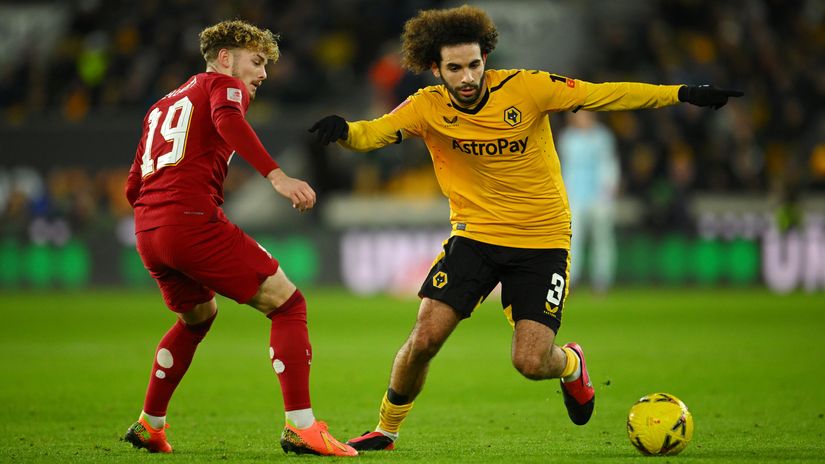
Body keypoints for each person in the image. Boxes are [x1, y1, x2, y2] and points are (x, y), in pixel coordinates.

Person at [309, 5, 741, 451]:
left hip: (543, 240)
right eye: (454, 68)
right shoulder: (426, 107)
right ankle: (386, 429)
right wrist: (344, 130)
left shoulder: (528, 87)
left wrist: (683, 93)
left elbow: (604, 95)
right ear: (435, 69)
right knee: (424, 338)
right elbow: (371, 134)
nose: (468, 77)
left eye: (474, 64)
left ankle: (571, 364)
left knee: (531, 362)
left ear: (485, 59)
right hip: (474, 236)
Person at [123, 20, 356, 457]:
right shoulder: (222, 85)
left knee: (198, 317)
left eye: (265, 64)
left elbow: (132, 186)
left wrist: (159, 215)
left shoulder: (159, 107)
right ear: (226, 58)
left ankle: (150, 424)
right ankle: (301, 427)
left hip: (148, 229)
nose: (263, 73)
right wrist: (277, 175)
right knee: (288, 303)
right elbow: (228, 121)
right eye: (256, 60)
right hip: (189, 221)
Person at [557, 111, 620, 292]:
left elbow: (610, 165)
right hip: (575, 196)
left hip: (599, 196)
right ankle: (572, 279)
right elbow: (563, 167)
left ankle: (602, 280)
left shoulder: (602, 137)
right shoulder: (568, 138)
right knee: (573, 240)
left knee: (602, 239)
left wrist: (608, 192)